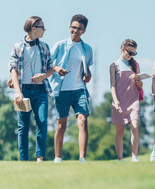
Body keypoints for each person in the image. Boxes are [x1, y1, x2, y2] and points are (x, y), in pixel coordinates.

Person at [9, 16, 54, 162]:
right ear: (34, 28)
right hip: (24, 91)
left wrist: (43, 76)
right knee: (23, 126)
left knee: (42, 121)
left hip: (40, 91)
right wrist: (17, 92)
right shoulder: (17, 47)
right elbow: (13, 70)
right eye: (42, 27)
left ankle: (40, 158)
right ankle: (23, 160)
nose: (45, 30)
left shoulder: (44, 47)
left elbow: (50, 68)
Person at [50, 14, 93, 163]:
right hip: (62, 90)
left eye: (79, 28)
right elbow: (48, 62)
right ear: (69, 27)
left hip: (80, 89)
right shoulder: (60, 45)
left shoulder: (87, 49)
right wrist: (56, 68)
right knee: (61, 125)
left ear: (84, 31)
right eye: (73, 27)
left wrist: (88, 76)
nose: (75, 30)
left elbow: (86, 68)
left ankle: (82, 158)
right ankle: (58, 157)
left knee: (82, 120)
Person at [110, 39, 142, 162]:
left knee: (134, 126)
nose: (131, 55)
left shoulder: (135, 65)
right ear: (123, 49)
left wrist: (138, 79)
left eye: (134, 53)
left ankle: (134, 156)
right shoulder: (114, 66)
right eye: (130, 52)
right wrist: (115, 100)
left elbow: (140, 85)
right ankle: (120, 159)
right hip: (119, 100)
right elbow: (112, 85)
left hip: (133, 100)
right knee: (120, 131)